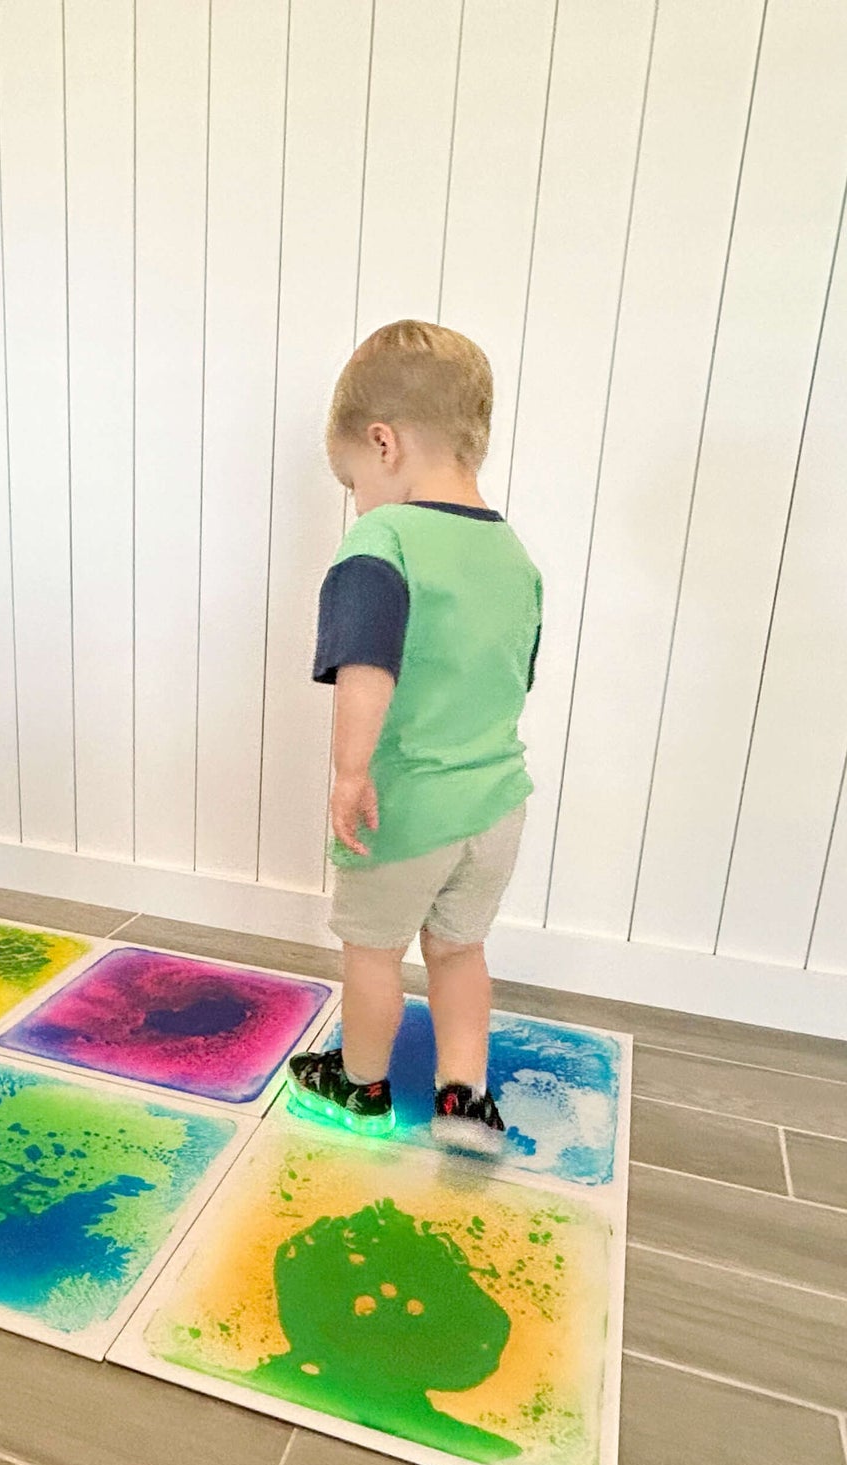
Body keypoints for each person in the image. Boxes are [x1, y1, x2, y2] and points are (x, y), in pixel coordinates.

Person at [286, 321, 541, 1156]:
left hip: (409, 807)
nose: (358, 499)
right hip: (498, 805)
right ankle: (465, 1100)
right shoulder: (513, 555)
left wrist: (350, 773)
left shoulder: (383, 540)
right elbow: (514, 675)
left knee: (373, 952)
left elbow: (367, 663)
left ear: (383, 443)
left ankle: (357, 1086)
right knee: (460, 951)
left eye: (355, 478)